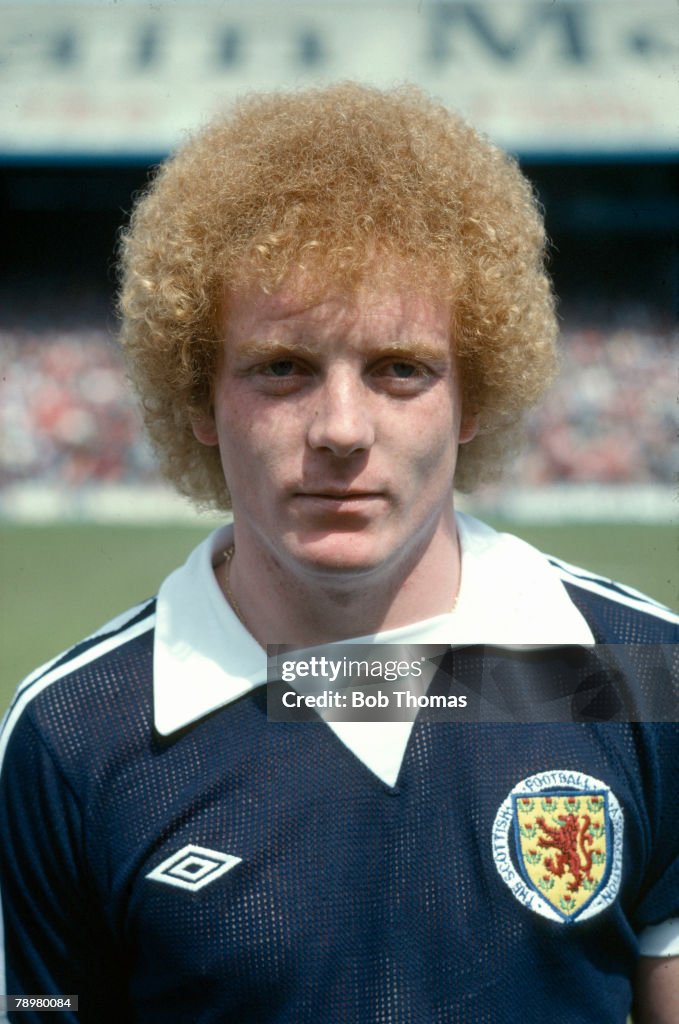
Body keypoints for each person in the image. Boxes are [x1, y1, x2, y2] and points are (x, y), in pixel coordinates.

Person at [1, 83, 677, 1024]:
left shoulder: (648, 677)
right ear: (198, 395)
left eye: (401, 369)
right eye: (283, 368)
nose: (343, 429)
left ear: (472, 394)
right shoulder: (69, 738)